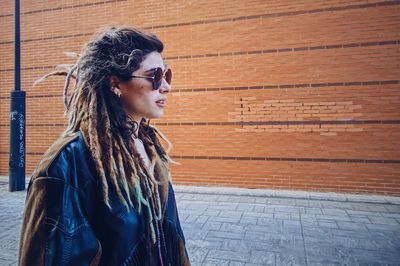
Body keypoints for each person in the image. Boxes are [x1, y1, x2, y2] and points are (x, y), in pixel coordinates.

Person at [18, 24, 191, 266]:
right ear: (116, 84)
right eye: (155, 76)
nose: (166, 86)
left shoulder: (150, 147)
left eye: (167, 74)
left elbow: (171, 241)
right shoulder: (67, 163)